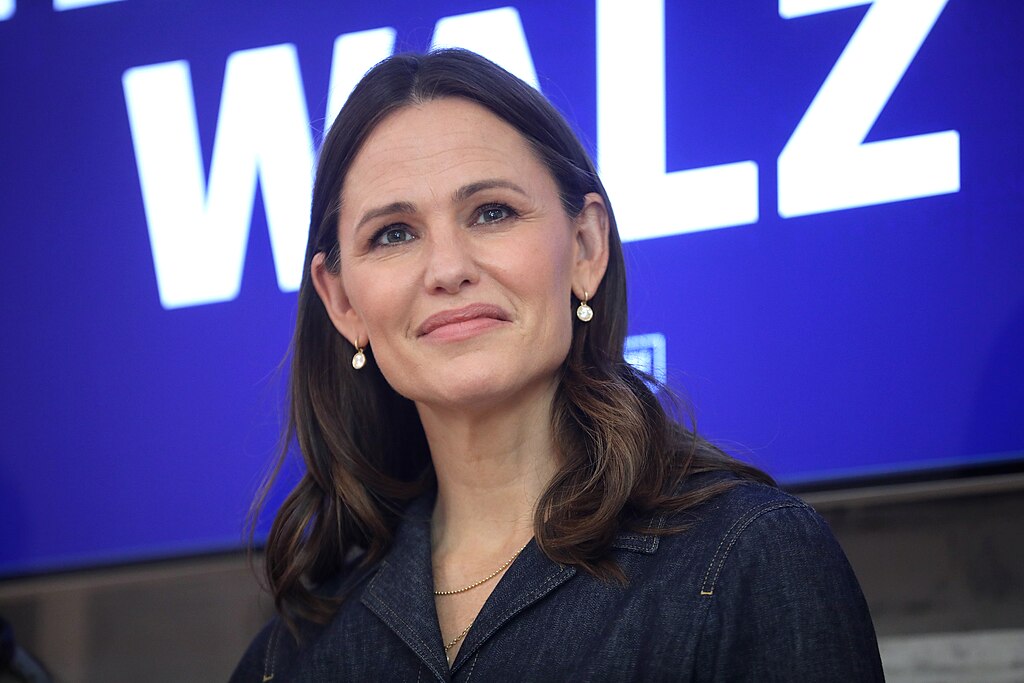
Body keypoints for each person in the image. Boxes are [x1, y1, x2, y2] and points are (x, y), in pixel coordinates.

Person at [231, 48, 883, 681]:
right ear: (342, 300)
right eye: (394, 233)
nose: (449, 269)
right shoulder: (284, 659)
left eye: (492, 212)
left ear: (585, 245)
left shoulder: (751, 559)